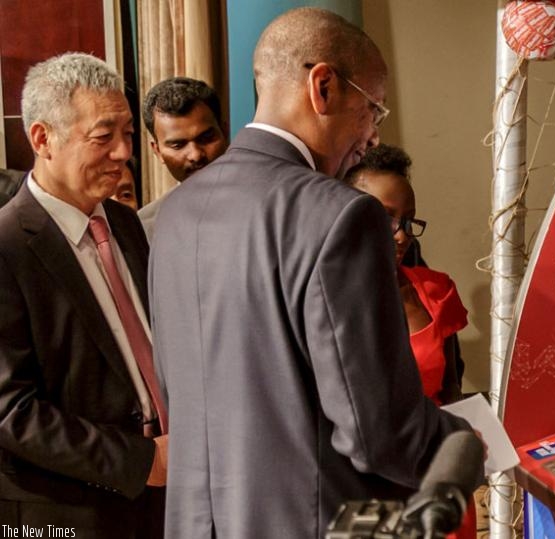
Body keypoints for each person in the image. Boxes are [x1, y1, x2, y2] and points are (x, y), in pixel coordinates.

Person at [149, 7, 481, 539]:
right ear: (323, 86)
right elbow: (375, 431)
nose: (373, 136)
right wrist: (459, 443)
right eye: (373, 109)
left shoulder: (177, 210)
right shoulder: (342, 214)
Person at [0, 53, 166, 537]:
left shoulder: (126, 225)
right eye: (103, 137)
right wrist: (141, 461)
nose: (122, 153)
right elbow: (12, 410)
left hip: (158, 497)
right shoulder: (9, 247)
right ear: (42, 139)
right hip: (65, 511)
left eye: (128, 135)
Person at [344, 143, 476, 538]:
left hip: (435, 477)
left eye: (409, 221)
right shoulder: (328, 301)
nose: (400, 236)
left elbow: (452, 389)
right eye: (385, 217)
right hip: (365, 488)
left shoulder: (435, 290)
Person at [139, 77, 228, 240]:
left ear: (224, 131)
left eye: (206, 138)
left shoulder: (268, 202)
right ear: (157, 151)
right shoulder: (144, 229)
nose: (195, 155)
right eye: (178, 145)